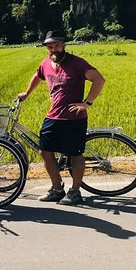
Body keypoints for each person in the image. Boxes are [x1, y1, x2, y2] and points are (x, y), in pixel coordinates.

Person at [17, 30, 105, 205]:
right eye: (50, 46)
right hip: (53, 116)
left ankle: (75, 192)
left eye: (56, 45)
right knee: (44, 151)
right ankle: (57, 189)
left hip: (73, 118)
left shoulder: (77, 63)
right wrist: (27, 93)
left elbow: (99, 79)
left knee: (75, 155)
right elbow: (37, 76)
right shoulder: (46, 64)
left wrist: (87, 103)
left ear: (63, 45)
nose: (53, 49)